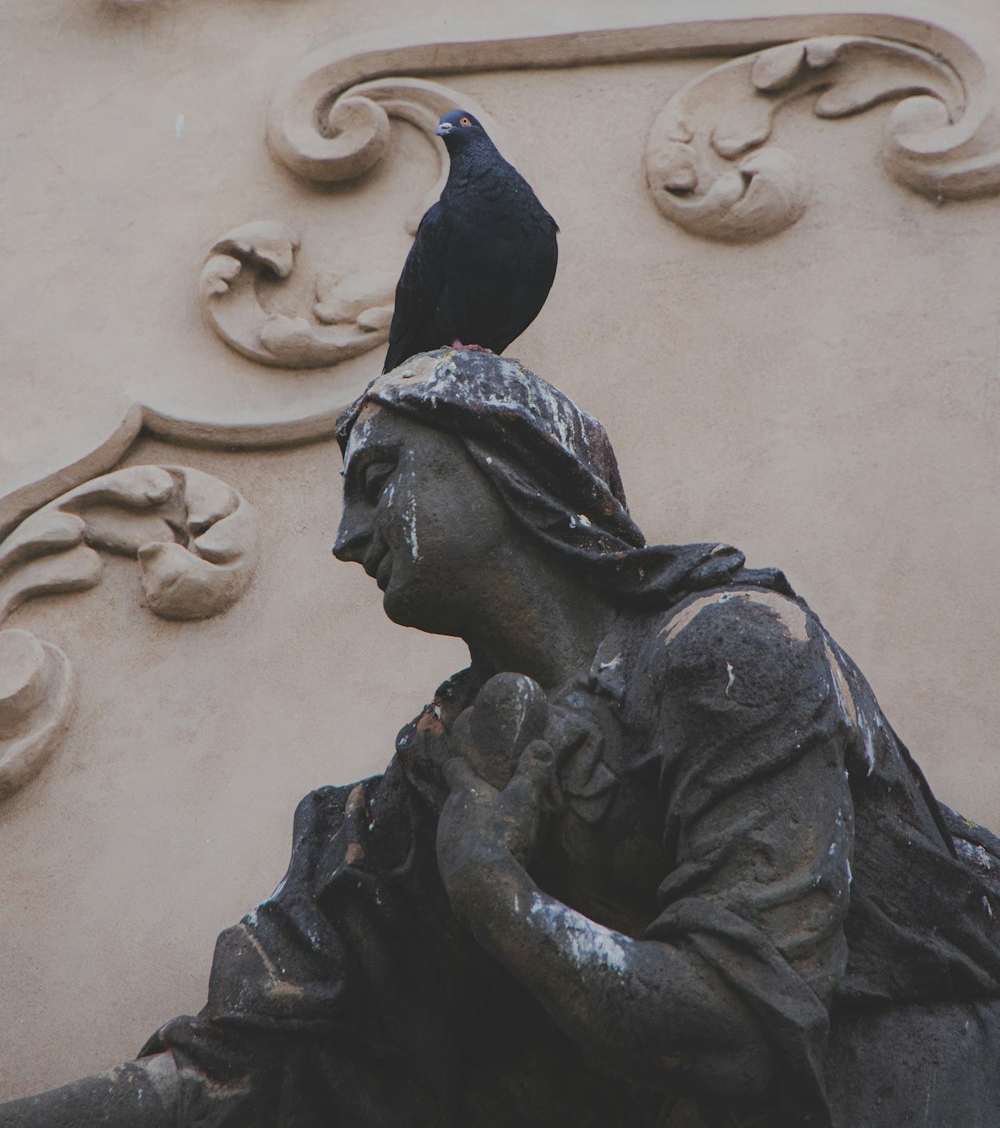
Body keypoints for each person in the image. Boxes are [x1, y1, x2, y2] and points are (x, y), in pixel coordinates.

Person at [5, 348, 1000, 1127]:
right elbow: (250, 1069)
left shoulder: (730, 649)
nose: (346, 539)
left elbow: (746, 1029)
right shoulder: (435, 777)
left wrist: (494, 891)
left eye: (380, 477)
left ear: (502, 463)